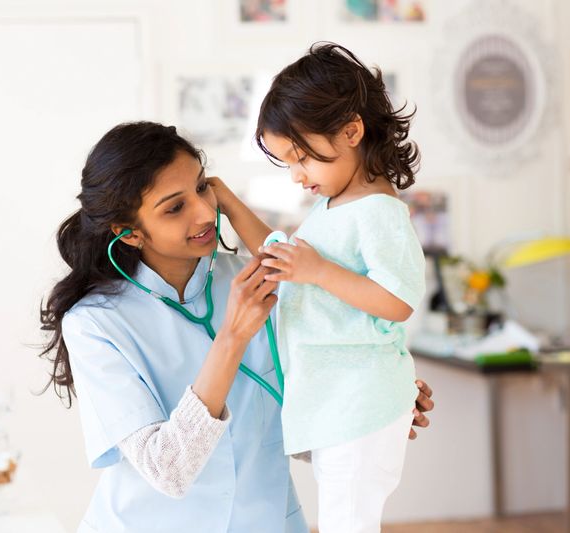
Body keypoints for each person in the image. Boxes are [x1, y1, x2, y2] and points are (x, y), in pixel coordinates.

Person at [39, 121, 434, 532]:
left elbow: (302, 414)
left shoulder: (265, 279)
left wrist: (373, 403)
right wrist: (233, 337)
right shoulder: (94, 324)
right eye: (174, 208)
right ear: (130, 234)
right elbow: (168, 470)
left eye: (202, 187)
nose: (204, 212)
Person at [209, 42, 425, 533]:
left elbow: (398, 301)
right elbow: (281, 256)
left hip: (359, 404)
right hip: (339, 404)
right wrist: (229, 203)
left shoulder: (378, 211)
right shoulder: (335, 207)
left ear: (351, 131)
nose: (296, 175)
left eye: (301, 157)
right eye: (286, 161)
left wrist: (320, 272)